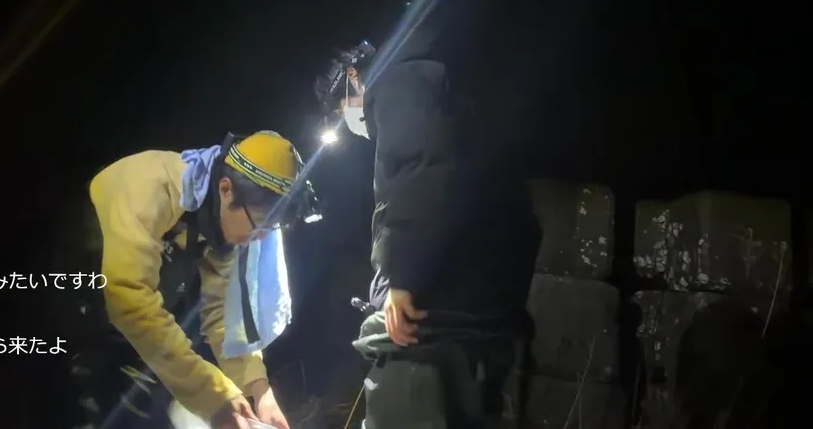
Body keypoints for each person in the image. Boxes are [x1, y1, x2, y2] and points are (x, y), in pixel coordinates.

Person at [315, 28, 540, 428]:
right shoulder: (441, 86)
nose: (349, 122)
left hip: (439, 312)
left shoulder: (399, 82)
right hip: (482, 299)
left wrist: (404, 277)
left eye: (342, 108)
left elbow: (422, 167)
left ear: (352, 77)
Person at [77, 130, 316, 429]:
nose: (258, 238)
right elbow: (129, 300)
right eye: (258, 226)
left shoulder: (219, 221)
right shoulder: (150, 188)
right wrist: (214, 397)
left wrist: (259, 389)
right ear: (226, 189)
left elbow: (222, 314)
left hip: (126, 339)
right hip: (72, 319)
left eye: (268, 231)